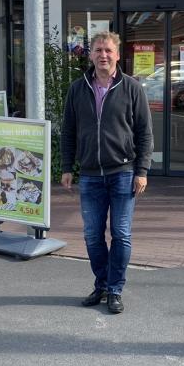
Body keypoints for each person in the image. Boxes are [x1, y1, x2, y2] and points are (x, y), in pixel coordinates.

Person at [60, 31, 152, 314]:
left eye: (108, 51)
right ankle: (101, 284)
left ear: (117, 55)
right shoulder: (78, 88)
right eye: (98, 50)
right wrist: (66, 167)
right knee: (92, 236)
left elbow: (144, 133)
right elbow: (69, 132)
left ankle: (115, 289)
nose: (103, 55)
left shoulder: (132, 88)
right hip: (89, 174)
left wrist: (142, 171)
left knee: (121, 234)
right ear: (90, 55)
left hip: (123, 171)